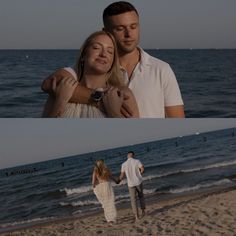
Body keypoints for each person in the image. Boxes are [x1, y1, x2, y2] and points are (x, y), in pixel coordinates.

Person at [41, 1, 185, 118]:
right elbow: (49, 84)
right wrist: (102, 100)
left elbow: (177, 121)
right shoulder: (89, 69)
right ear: (106, 32)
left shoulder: (161, 69)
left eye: (133, 27)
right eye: (120, 28)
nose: (129, 34)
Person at [42, 30, 139, 118]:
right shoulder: (63, 88)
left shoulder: (121, 94)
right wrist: (60, 102)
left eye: (110, 52)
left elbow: (133, 135)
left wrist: (113, 112)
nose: (103, 54)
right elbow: (43, 133)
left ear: (112, 63)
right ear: (84, 55)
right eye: (96, 48)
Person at [118, 151, 145, 222]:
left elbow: (122, 175)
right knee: (141, 196)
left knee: (133, 200)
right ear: (133, 155)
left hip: (130, 184)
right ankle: (143, 211)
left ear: (128, 156)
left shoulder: (123, 164)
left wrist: (118, 181)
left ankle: (136, 216)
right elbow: (142, 168)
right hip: (138, 181)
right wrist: (140, 174)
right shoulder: (137, 161)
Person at [92, 159, 119, 223]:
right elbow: (111, 177)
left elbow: (93, 182)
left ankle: (109, 219)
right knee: (110, 202)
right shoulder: (106, 170)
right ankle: (112, 218)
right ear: (102, 163)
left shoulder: (95, 171)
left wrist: (95, 188)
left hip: (100, 187)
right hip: (107, 185)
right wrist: (116, 181)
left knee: (105, 203)